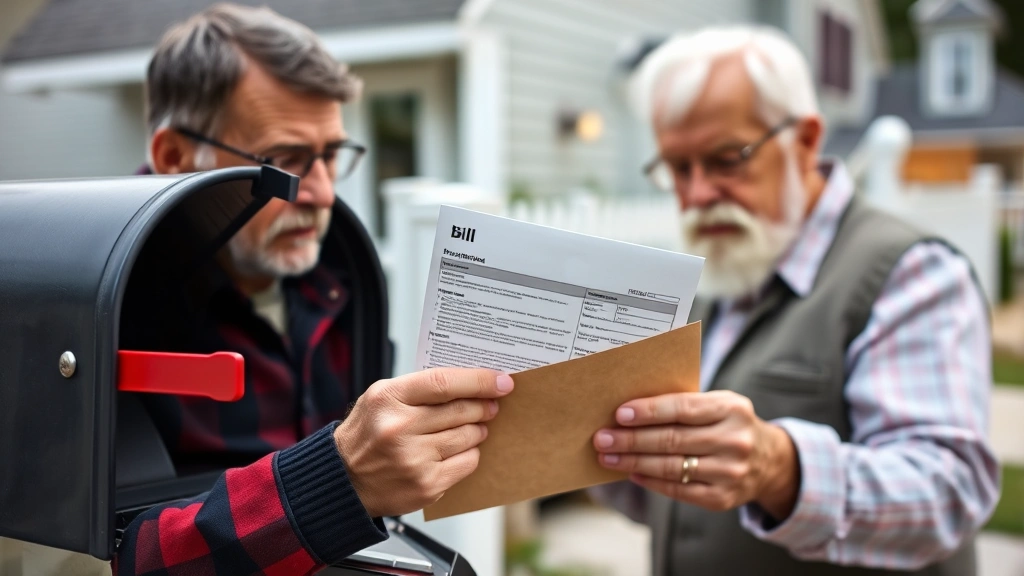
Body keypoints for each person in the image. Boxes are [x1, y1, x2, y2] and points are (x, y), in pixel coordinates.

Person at [114, 4, 514, 575]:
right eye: (285, 161)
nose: (323, 193)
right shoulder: (100, 308)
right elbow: (120, 559)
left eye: (331, 155)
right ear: (176, 158)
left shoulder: (338, 282)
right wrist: (337, 480)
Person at [589, 26, 1000, 574]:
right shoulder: (718, 275)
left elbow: (948, 493)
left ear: (805, 141)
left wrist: (780, 468)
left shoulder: (910, 272)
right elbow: (675, 501)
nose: (698, 194)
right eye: (678, 169)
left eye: (726, 158)